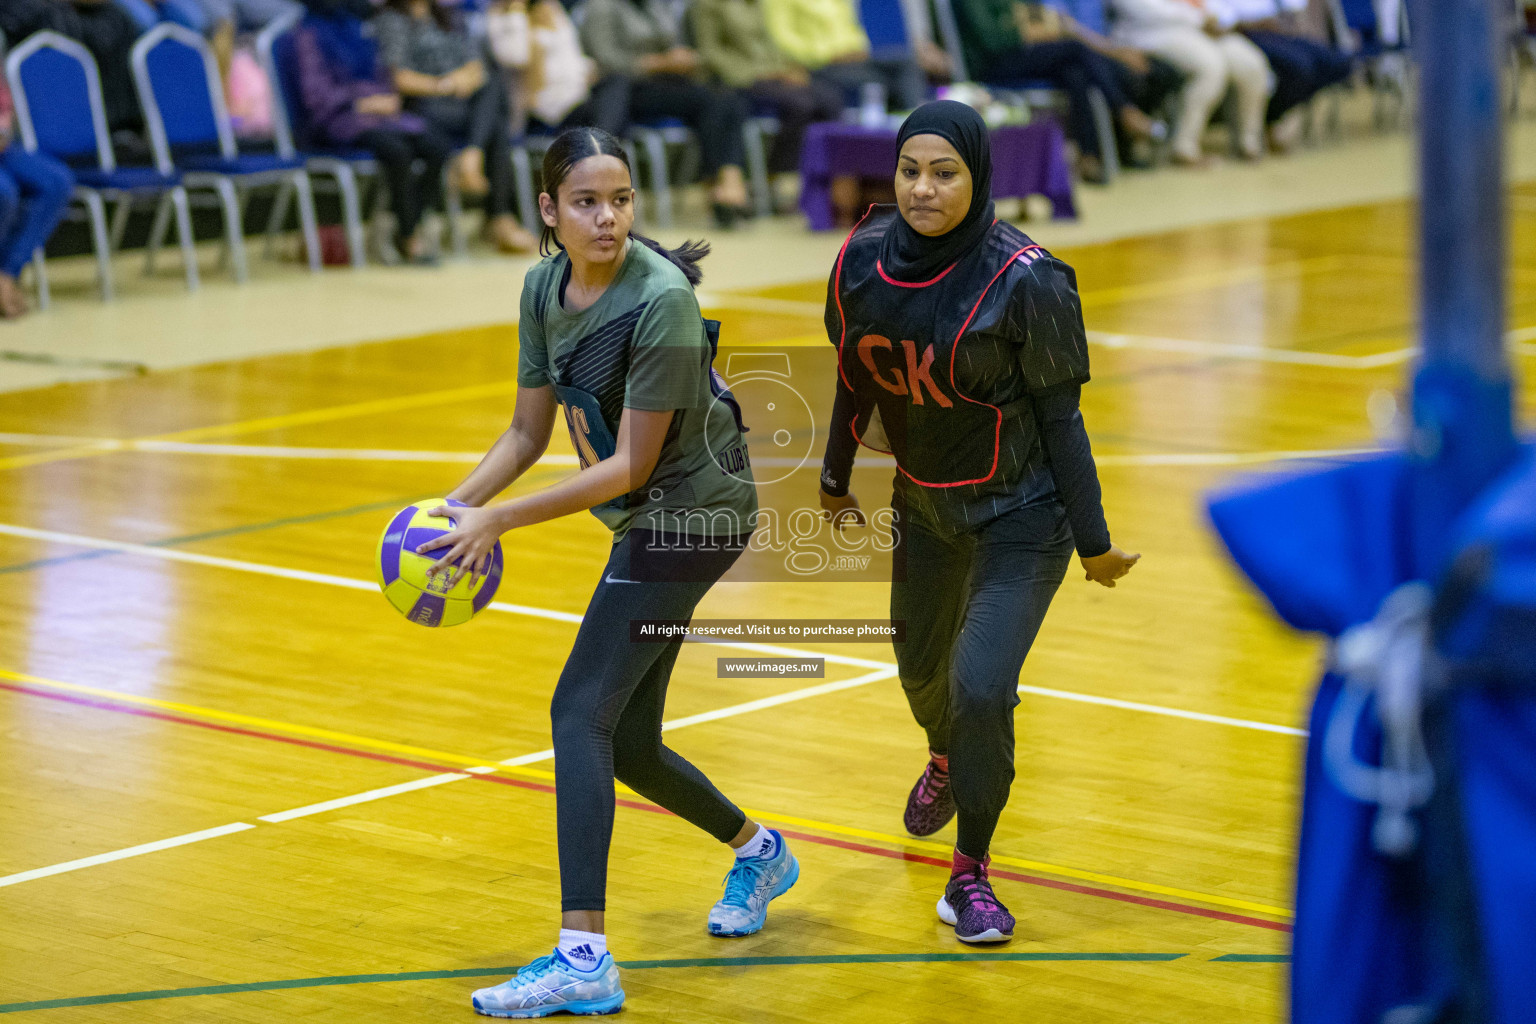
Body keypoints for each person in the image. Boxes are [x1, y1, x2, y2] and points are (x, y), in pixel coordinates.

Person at [414, 127, 798, 1018]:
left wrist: (497, 520)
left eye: (621, 199)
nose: (609, 217)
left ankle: (582, 956)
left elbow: (628, 465)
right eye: (587, 201)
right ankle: (760, 852)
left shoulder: (657, 299)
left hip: (693, 518)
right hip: (647, 518)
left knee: (576, 710)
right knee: (623, 739)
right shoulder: (542, 285)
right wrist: (444, 512)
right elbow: (525, 435)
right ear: (548, 210)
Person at [816, 101, 1139, 943]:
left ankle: (971, 875)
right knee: (921, 676)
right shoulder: (859, 259)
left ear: (979, 175)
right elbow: (857, 378)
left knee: (981, 688)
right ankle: (949, 757)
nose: (923, 189)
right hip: (923, 506)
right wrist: (832, 477)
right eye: (910, 170)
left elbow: (1064, 421)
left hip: (1021, 518)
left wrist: (1094, 543)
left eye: (945, 172)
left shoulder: (1028, 278)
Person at [293, 0, 453, 264]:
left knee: (436, 145)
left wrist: (386, 97)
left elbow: (381, 75)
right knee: (397, 151)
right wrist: (361, 101)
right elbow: (315, 96)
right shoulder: (307, 34)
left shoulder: (358, 28)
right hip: (336, 118)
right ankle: (408, 237)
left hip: (378, 116)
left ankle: (405, 220)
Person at [374, 0, 538, 252]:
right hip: (422, 106)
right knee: (494, 121)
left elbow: (476, 66)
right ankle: (498, 216)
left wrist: (464, 79)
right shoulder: (391, 20)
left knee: (493, 88)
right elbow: (398, 78)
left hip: (459, 103)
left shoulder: (449, 17)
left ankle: (472, 155)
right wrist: (445, 84)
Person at [577, 0, 754, 227]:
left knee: (728, 99)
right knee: (711, 102)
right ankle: (723, 185)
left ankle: (727, 181)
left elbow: (672, 41)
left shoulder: (654, 6)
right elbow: (606, 60)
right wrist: (657, 63)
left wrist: (682, 58)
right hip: (627, 90)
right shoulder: (601, 7)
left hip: (666, 81)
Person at [950, 0, 1169, 182]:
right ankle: (1124, 111)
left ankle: (1089, 155)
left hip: (1019, 54)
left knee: (1075, 72)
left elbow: (1033, 17)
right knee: (1075, 49)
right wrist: (1035, 31)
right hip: (991, 66)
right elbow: (993, 41)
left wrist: (1039, 28)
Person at [690, 0, 843, 203]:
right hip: (741, 80)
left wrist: (786, 68)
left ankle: (830, 182)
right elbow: (709, 51)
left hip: (773, 75)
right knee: (800, 105)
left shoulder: (757, 4)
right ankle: (775, 176)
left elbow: (770, 44)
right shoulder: (709, 6)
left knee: (829, 100)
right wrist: (755, 74)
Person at [1111, 0, 1273, 163]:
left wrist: (1219, 19)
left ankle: (1247, 143)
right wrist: (1198, 18)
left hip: (1200, 29)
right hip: (1152, 31)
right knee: (1210, 67)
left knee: (1251, 64)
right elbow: (1142, 9)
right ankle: (1184, 146)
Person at [1218, 0, 1351, 152]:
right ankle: (1271, 118)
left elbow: (1294, 6)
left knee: (1338, 62)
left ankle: (1280, 115)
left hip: (1278, 30)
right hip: (1246, 33)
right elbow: (1220, 21)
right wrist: (1252, 23)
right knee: (1301, 68)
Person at [762, 0, 927, 111]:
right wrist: (828, 54)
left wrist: (857, 47)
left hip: (853, 60)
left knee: (906, 62)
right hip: (820, 65)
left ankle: (919, 123)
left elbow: (853, 29)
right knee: (889, 84)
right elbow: (781, 40)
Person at [0, 74, 75, 319]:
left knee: (57, 182)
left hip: (4, 145)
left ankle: (7, 274)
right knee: (5, 192)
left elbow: (5, 101)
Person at [484, 0, 593, 133]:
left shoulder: (550, 8)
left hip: (573, 98)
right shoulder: (499, 16)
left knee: (615, 84)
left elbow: (572, 51)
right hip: (536, 109)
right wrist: (516, 12)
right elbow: (517, 57)